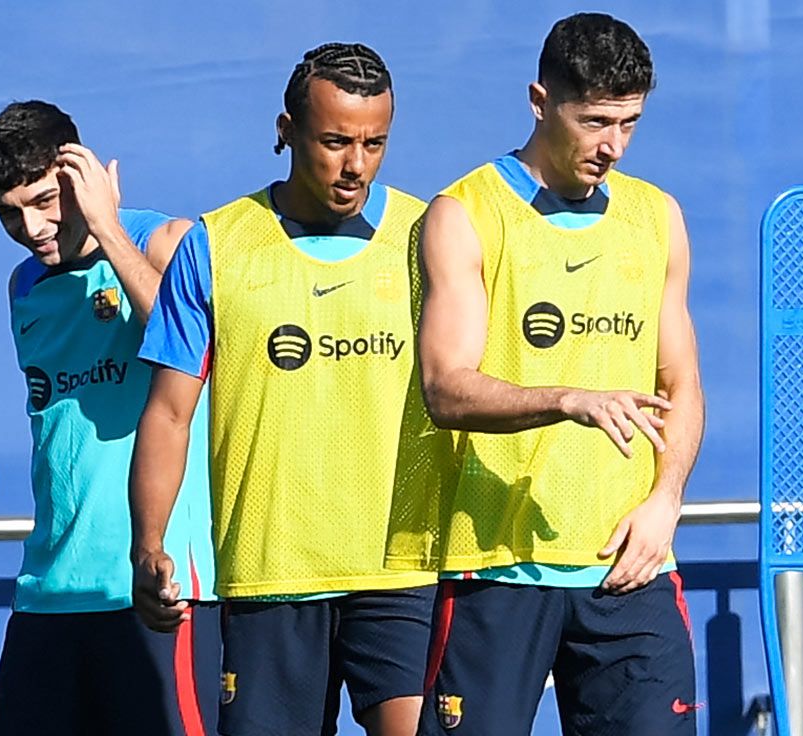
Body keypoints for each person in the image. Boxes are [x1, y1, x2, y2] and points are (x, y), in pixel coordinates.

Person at [131, 43, 453, 736]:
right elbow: (168, 413)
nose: (355, 164)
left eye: (374, 143)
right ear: (287, 131)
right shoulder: (217, 244)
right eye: (335, 141)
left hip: (400, 566)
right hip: (270, 572)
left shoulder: (427, 236)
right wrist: (149, 544)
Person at [407, 13, 705, 735]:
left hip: (629, 569)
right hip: (499, 567)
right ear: (540, 101)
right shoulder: (466, 212)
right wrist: (568, 398)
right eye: (596, 120)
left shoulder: (656, 216)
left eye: (630, 123)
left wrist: (665, 499)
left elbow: (683, 385)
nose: (614, 146)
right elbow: (446, 387)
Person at [0, 100, 218, 736]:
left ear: (77, 175)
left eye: (43, 201)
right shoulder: (24, 285)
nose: (30, 228)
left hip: (155, 592)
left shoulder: (169, 241)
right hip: (47, 593)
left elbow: (188, 348)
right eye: (9, 212)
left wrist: (109, 232)